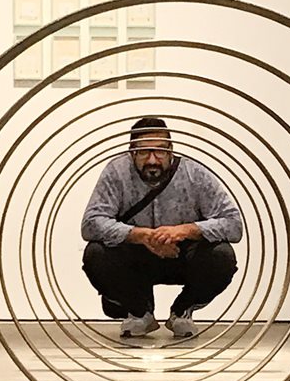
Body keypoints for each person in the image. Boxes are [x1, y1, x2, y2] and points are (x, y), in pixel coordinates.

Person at [81, 117, 242, 338]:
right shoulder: (116, 172)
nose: (153, 159)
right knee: (96, 254)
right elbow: (91, 223)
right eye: (145, 152)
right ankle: (139, 312)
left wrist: (185, 230)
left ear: (171, 151)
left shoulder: (194, 173)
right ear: (132, 152)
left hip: (182, 254)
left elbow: (233, 224)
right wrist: (140, 235)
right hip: (135, 257)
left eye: (161, 151)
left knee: (222, 256)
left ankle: (182, 311)